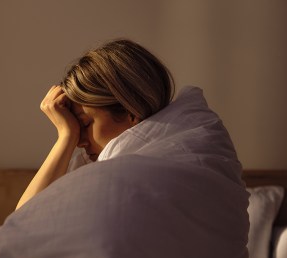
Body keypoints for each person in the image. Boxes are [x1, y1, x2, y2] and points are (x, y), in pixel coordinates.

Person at [16, 39, 175, 209]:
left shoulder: (144, 178)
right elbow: (22, 225)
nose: (79, 142)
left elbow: (24, 222)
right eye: (75, 128)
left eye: (84, 125)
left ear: (131, 112)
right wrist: (66, 135)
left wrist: (66, 136)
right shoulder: (90, 165)